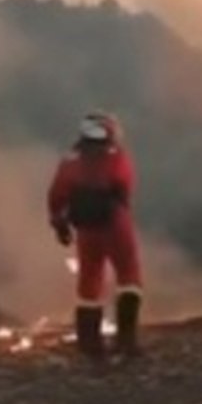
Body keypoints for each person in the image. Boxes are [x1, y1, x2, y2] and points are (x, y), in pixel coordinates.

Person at [47, 112, 142, 361]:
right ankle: (126, 342)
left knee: (89, 281)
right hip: (115, 225)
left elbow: (56, 197)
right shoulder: (116, 158)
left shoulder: (70, 161)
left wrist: (60, 226)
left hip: (86, 229)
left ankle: (89, 345)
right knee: (129, 277)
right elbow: (125, 187)